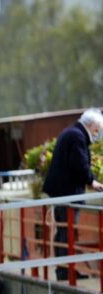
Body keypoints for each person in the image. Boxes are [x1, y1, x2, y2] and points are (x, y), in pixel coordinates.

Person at [42, 108, 103, 281]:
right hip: (68, 193)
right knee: (67, 231)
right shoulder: (77, 136)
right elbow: (80, 163)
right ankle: (65, 272)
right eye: (97, 129)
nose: (97, 133)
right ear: (90, 125)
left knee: (63, 230)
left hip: (61, 191)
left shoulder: (71, 132)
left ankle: (64, 270)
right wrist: (92, 181)